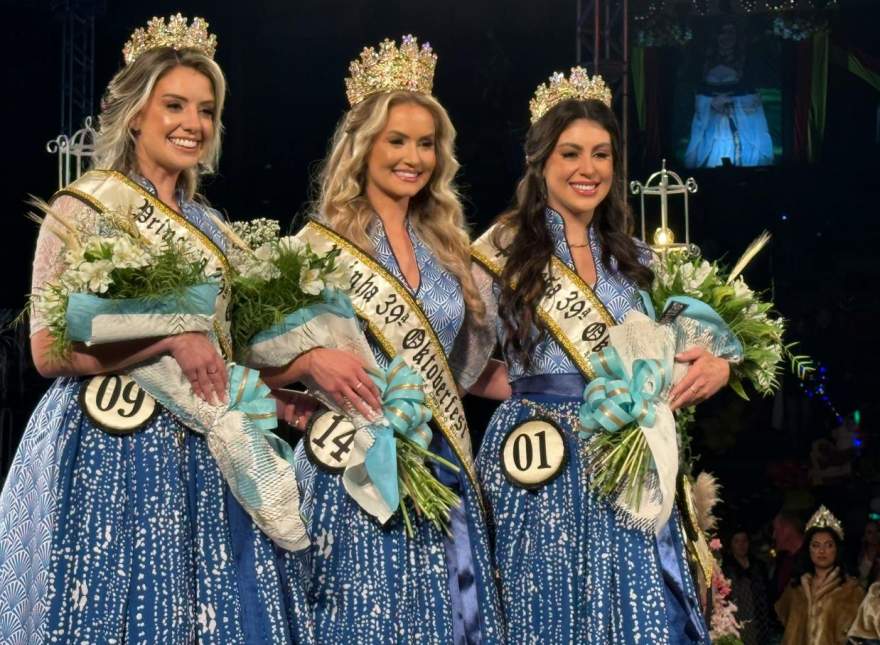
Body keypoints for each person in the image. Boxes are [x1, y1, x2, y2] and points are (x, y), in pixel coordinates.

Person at [0, 15, 313, 643]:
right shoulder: (82, 206)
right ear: (136, 113)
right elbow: (47, 350)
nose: (192, 124)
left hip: (202, 450)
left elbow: (217, 358)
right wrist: (165, 336)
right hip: (104, 445)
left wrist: (281, 396)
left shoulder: (215, 229)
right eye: (174, 105)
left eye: (205, 110)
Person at [471, 67, 734, 644]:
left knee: (635, 605)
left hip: (628, 453)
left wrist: (719, 363)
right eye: (570, 153)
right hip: (538, 459)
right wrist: (526, 391)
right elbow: (457, 363)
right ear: (540, 163)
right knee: (542, 608)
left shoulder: (640, 261)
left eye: (601, 154)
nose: (587, 170)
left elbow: (710, 342)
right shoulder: (497, 252)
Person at [261, 35, 505, 643]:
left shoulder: (454, 252)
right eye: (397, 140)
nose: (413, 157)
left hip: (439, 461)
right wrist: (310, 363)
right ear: (363, 145)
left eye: (426, 144)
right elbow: (257, 366)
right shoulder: (314, 249)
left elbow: (468, 370)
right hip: (348, 465)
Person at [683, 20, 774, 168]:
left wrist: (732, 100)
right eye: (722, 32)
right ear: (716, 36)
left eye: (730, 32)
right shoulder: (706, 59)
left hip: (737, 114)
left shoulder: (746, 59)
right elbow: (699, 90)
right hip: (712, 114)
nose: (726, 37)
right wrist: (712, 102)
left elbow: (751, 92)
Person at [776, 506, 865, 644]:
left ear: (837, 550)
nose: (822, 551)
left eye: (828, 545)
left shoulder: (851, 591)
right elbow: (785, 624)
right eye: (816, 545)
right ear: (808, 550)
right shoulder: (795, 588)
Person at [723, 528, 772, 644]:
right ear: (731, 544)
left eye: (744, 541)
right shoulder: (726, 569)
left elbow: (768, 593)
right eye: (737, 541)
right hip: (738, 620)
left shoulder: (758, 565)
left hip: (760, 620)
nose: (741, 545)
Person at [773, 510, 807, 602]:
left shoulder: (814, 559)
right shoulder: (782, 560)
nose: (774, 536)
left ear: (787, 530)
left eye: (776, 530)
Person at [856, 520, 880, 588]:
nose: (874, 535)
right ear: (864, 536)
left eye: (877, 531)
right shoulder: (858, 554)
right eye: (870, 532)